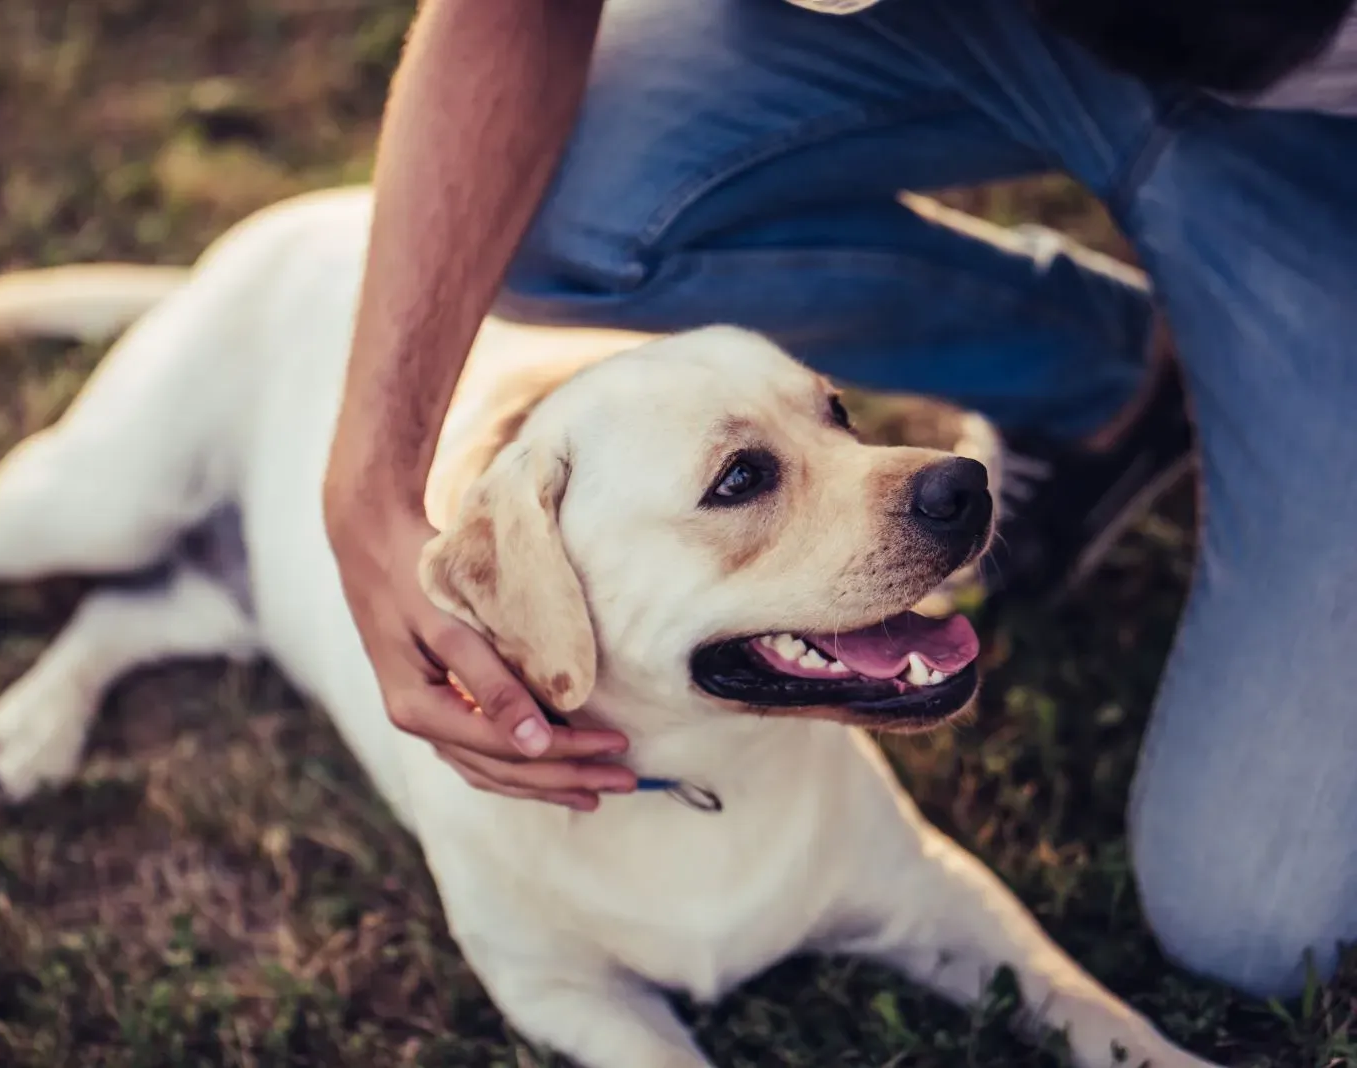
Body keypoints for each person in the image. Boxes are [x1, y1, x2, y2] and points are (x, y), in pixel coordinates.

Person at [322, 0, 1357, 1000]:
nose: (920, 474)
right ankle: (1107, 384)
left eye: (829, 420)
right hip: (1021, 27)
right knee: (548, 202)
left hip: (1319, 126)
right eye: (745, 478)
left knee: (1254, 922)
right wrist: (368, 490)